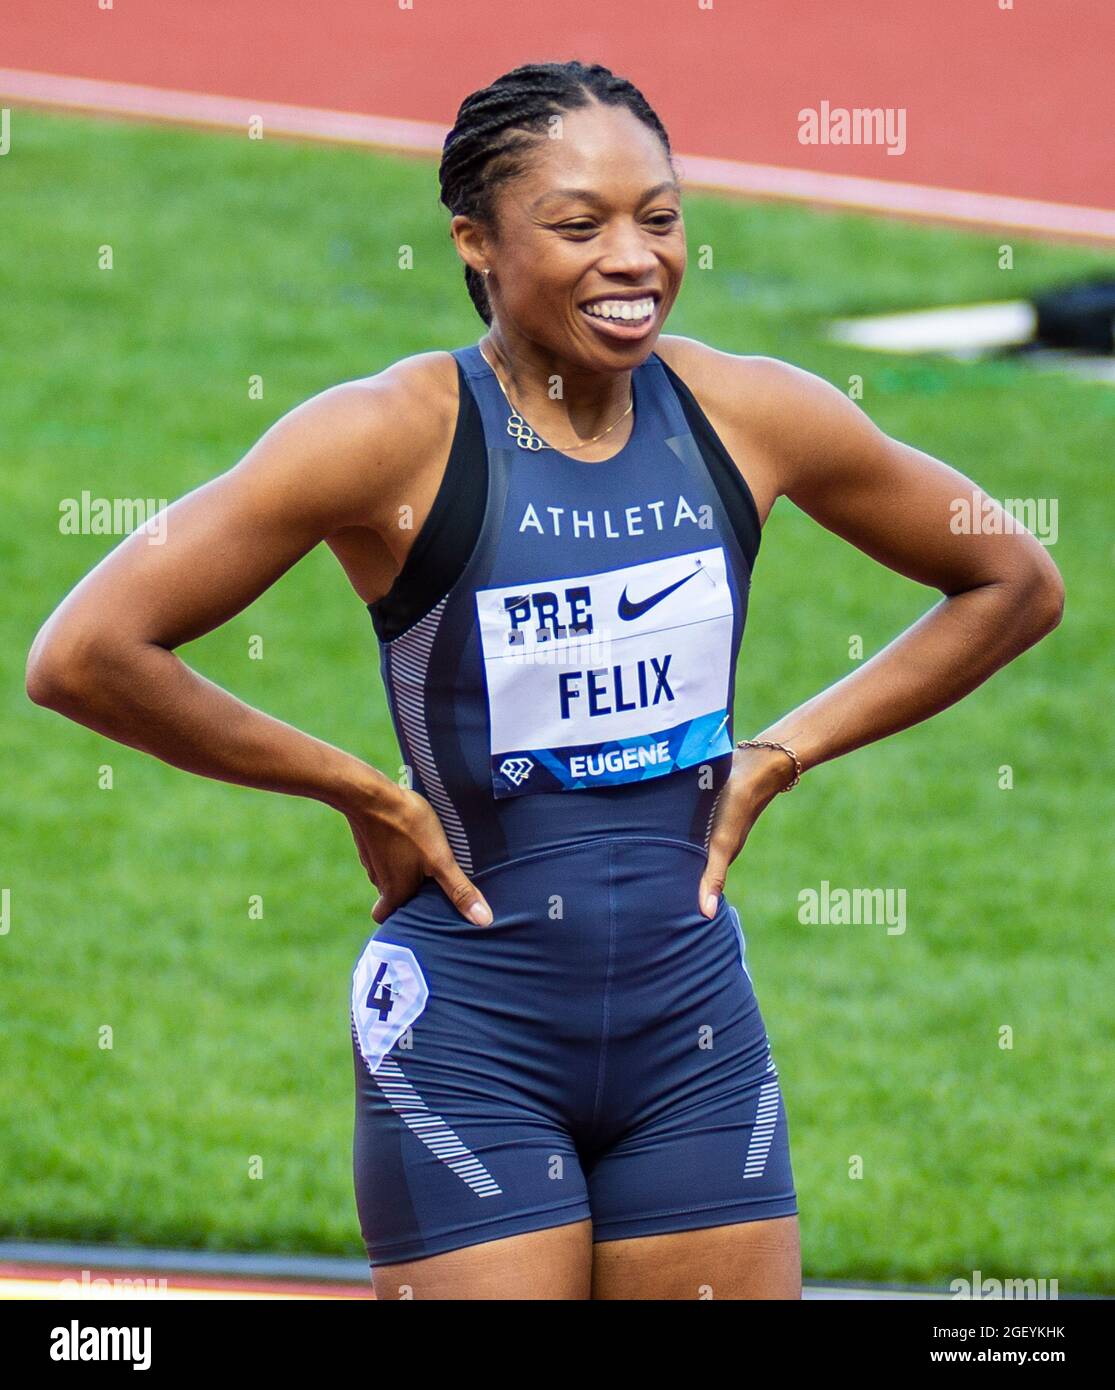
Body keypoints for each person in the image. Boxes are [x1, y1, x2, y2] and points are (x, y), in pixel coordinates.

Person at [25, 60, 1064, 1301]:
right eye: (579, 226)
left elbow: (1011, 581)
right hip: (470, 1035)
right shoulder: (388, 434)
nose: (634, 259)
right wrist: (361, 790)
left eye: (660, 218)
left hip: (693, 1039)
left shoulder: (748, 415)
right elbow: (86, 653)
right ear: (473, 240)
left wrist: (778, 755)